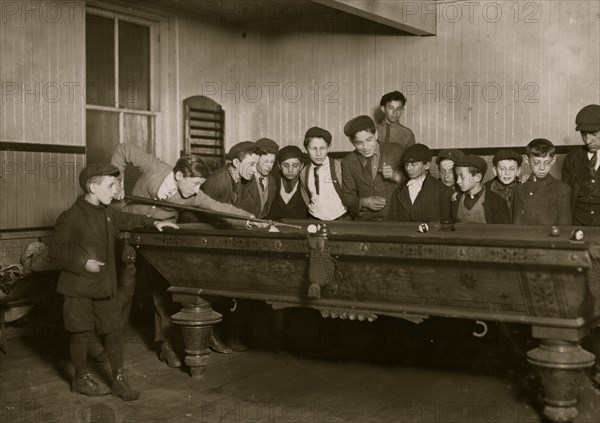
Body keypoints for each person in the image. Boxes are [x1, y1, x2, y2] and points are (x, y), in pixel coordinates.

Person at [111, 144, 262, 366]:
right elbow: (123, 150)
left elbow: (220, 208)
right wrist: (117, 181)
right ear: (179, 175)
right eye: (194, 184)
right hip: (130, 231)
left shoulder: (194, 196)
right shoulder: (155, 167)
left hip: (160, 240)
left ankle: (165, 345)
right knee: (123, 290)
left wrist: (251, 220)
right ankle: (110, 345)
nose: (195, 191)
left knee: (161, 292)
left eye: (200, 185)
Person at [49, 163, 177, 400]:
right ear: (93, 187)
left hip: (104, 285)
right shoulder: (71, 217)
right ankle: (80, 379)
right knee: (80, 333)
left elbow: (127, 219)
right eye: (111, 185)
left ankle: (119, 379)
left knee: (114, 331)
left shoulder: (107, 212)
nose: (116, 189)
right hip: (77, 288)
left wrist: (154, 223)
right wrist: (81, 262)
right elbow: (55, 251)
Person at [340, 115, 405, 220]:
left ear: (376, 134)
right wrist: (362, 202)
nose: (365, 147)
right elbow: (348, 195)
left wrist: (395, 176)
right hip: (365, 222)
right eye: (359, 143)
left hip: (396, 219)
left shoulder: (396, 151)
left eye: (369, 140)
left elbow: (414, 183)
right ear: (352, 142)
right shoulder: (348, 162)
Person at [387, 144, 452, 223]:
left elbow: (446, 225)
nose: (408, 168)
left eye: (413, 165)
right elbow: (392, 222)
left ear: (427, 165)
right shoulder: (399, 191)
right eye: (406, 164)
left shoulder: (442, 190)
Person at [513, 138, 572, 225]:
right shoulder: (519, 186)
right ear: (526, 160)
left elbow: (565, 226)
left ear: (553, 160)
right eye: (536, 162)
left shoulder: (562, 189)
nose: (542, 168)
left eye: (547, 162)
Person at [299, 127, 349, 220]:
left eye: (322, 148)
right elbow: (306, 196)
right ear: (306, 149)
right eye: (313, 148)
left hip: (341, 217)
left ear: (329, 147)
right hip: (315, 218)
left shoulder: (340, 167)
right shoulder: (304, 172)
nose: (318, 153)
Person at [562, 104, 600, 226]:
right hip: (577, 223)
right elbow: (565, 194)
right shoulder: (572, 158)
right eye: (584, 134)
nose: (588, 141)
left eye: (594, 134)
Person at [452, 155, 511, 224]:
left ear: (477, 177)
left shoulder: (497, 202)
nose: (458, 181)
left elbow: (503, 232)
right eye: (457, 176)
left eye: (462, 177)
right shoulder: (456, 199)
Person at [238, 138, 279, 218]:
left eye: (272, 162)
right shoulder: (243, 180)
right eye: (266, 162)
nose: (269, 166)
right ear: (256, 160)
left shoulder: (272, 181)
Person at [268, 145, 309, 220]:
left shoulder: (307, 182)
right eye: (286, 165)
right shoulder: (272, 181)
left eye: (295, 165)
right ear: (279, 166)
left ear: (301, 166)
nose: (290, 170)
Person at [484, 150, 523, 214]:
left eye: (512, 169)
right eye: (502, 169)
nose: (507, 173)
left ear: (518, 171)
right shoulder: (486, 189)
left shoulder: (525, 188)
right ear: (495, 170)